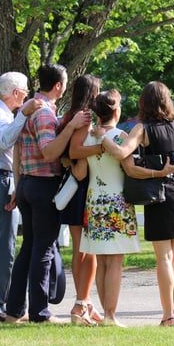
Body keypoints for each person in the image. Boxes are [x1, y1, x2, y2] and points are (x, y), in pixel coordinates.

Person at [4, 63, 92, 324]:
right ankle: (40, 313)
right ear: (58, 85)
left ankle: (14, 310)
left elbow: (19, 153)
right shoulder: (43, 113)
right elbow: (48, 152)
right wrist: (71, 126)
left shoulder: (28, 109)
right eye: (65, 82)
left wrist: (18, 187)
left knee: (29, 248)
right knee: (43, 250)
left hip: (28, 184)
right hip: (42, 185)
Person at [102, 81, 174, 327]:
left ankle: (168, 317)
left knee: (164, 259)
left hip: (159, 196)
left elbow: (122, 154)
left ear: (144, 103)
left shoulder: (142, 129)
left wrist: (104, 139)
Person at [0, 71, 42, 323]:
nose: (26, 95)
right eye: (24, 91)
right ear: (15, 93)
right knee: (3, 248)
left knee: (3, 245)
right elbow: (4, 141)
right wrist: (24, 115)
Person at [76, 89, 147, 327]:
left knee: (102, 261)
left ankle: (107, 313)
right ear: (116, 111)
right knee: (115, 261)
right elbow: (128, 167)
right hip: (117, 202)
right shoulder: (120, 137)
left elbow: (81, 172)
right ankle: (110, 315)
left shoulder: (89, 138)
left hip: (94, 200)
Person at [58, 74, 103, 326]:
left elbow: (67, 153)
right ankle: (81, 303)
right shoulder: (85, 117)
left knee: (80, 248)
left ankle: (85, 302)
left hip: (73, 186)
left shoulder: (69, 115)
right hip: (83, 187)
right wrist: (101, 147)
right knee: (88, 249)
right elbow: (75, 151)